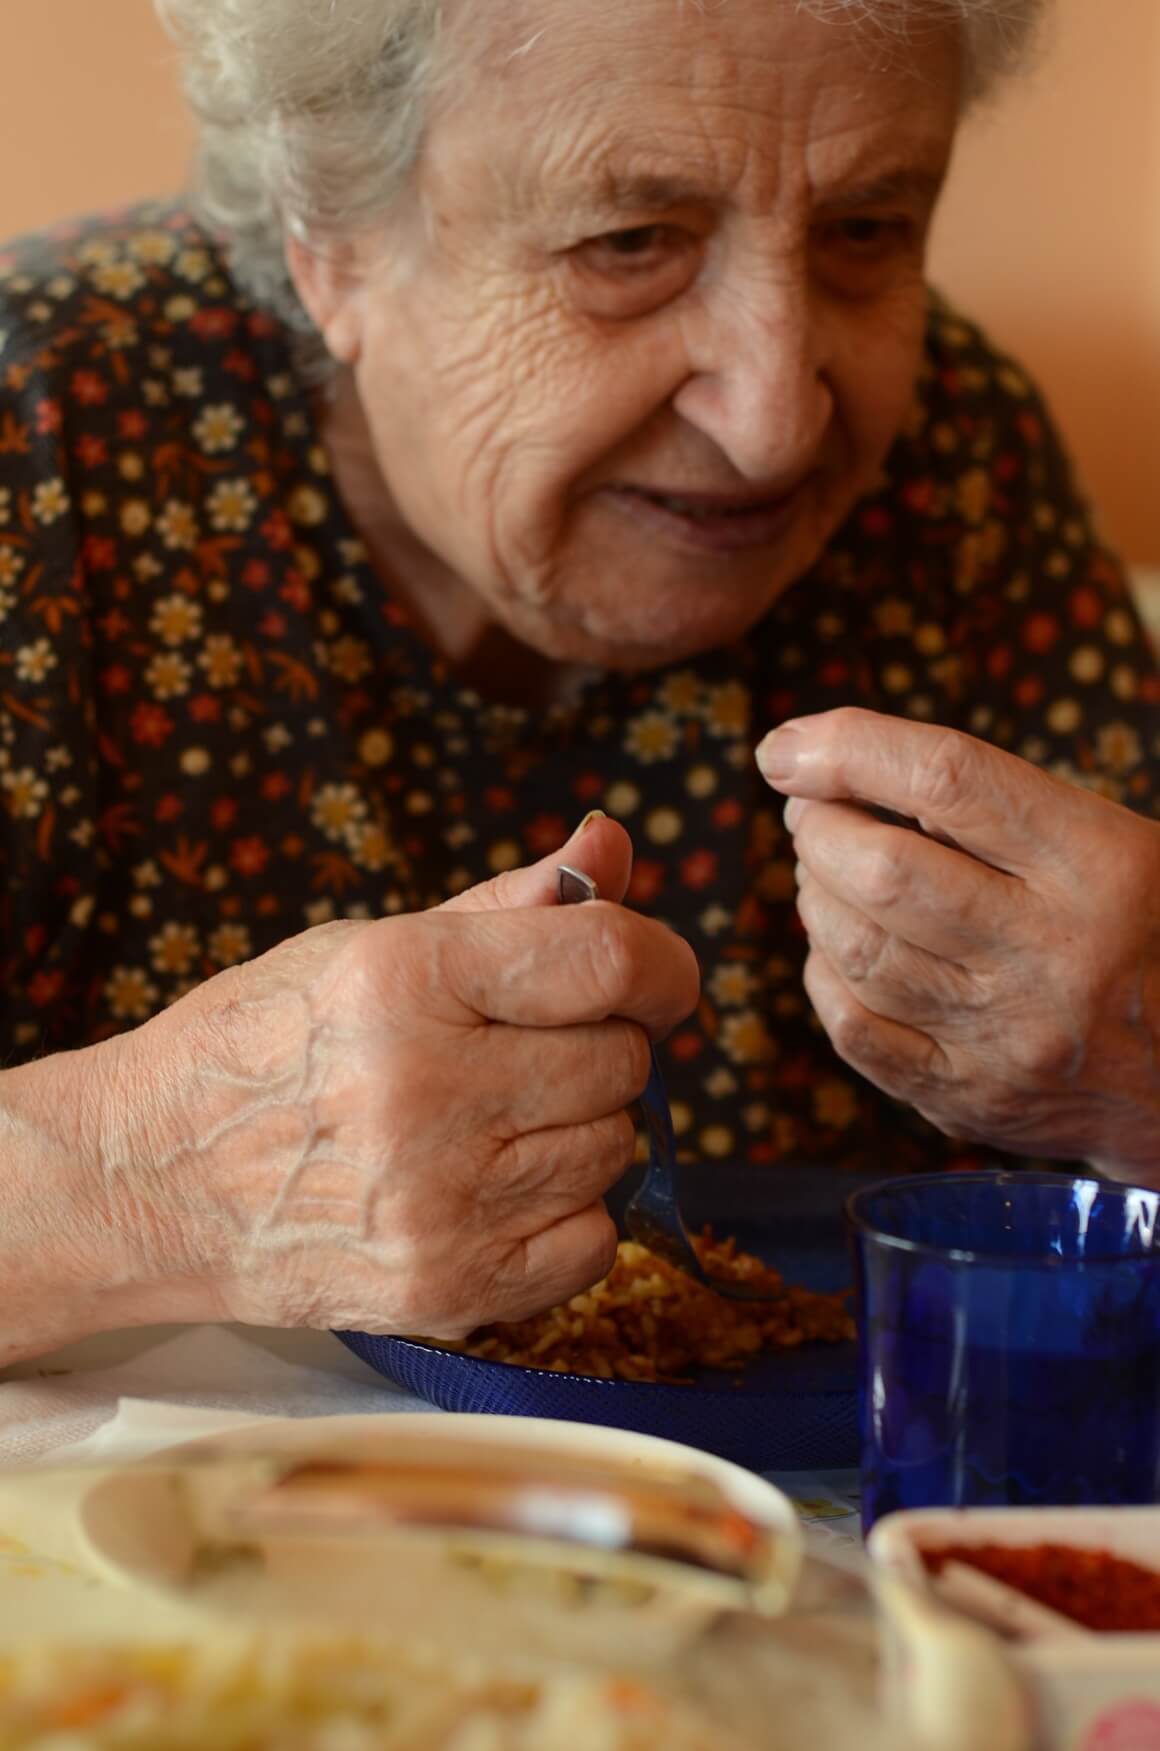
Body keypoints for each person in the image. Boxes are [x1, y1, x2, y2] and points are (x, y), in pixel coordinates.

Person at [1, 0, 1156, 1368]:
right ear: (336, 243)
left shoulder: (956, 464)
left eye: (865, 231)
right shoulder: (43, 442)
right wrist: (133, 1183)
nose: (779, 413)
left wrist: (1143, 1087)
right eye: (629, 244)